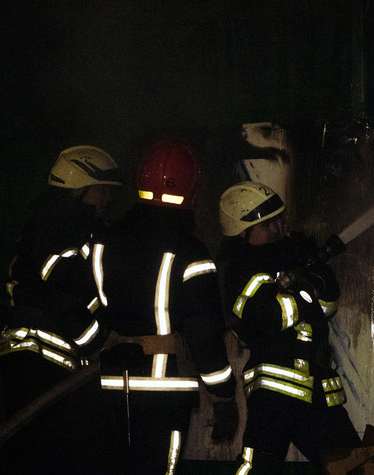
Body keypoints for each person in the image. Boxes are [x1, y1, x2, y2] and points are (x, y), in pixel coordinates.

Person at [91, 137, 238, 474]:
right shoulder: (191, 253)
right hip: (164, 395)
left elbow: (86, 307)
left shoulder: (103, 242)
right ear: (192, 189)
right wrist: (224, 397)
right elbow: (204, 335)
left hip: (106, 388)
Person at [217, 181, 361, 474]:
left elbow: (328, 307)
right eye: (267, 225)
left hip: (317, 389)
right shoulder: (242, 269)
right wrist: (308, 291)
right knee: (257, 468)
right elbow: (269, 317)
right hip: (275, 393)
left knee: (353, 466)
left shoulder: (291, 258)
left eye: (279, 221)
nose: (277, 229)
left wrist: (317, 275)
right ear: (242, 232)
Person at [0, 145, 122, 474]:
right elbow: (65, 296)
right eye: (102, 190)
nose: (108, 199)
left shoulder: (52, 223)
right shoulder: (61, 229)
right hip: (40, 360)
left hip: (37, 360)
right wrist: (97, 342)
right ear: (80, 188)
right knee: (53, 453)